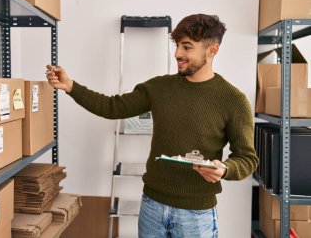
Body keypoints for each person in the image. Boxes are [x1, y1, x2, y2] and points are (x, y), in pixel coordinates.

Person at [46, 13, 259, 238]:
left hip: (196, 215)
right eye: (177, 46)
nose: (178, 53)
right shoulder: (159, 88)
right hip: (152, 206)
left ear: (212, 50)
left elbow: (247, 159)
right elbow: (111, 107)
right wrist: (70, 86)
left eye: (187, 47)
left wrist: (225, 169)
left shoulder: (233, 100)